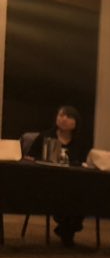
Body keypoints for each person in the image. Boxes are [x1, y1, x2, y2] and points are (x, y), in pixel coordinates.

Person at [27, 105, 90, 246]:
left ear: (76, 122)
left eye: (68, 116)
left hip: (73, 184)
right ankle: (66, 229)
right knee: (65, 194)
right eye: (60, 115)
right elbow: (30, 157)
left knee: (85, 194)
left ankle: (67, 229)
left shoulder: (81, 141)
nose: (63, 119)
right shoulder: (45, 136)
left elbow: (86, 162)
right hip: (48, 183)